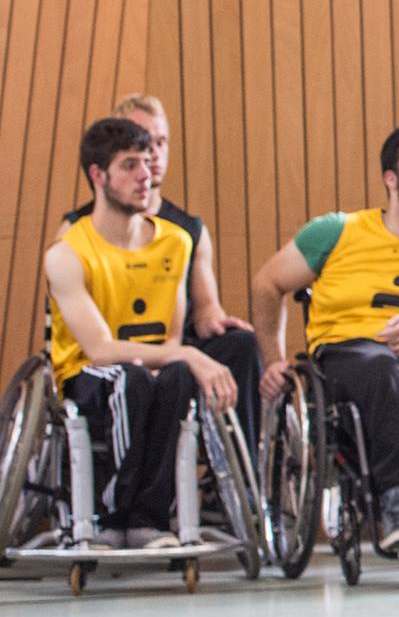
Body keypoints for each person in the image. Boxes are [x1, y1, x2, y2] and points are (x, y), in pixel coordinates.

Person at [251, 121, 399, 556]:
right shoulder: (336, 232)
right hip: (349, 353)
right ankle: (397, 507)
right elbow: (267, 283)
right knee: (381, 368)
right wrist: (273, 360)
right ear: (390, 179)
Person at [41, 118, 240, 548]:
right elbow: (97, 350)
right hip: (88, 376)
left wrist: (180, 357)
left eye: (147, 163)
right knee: (128, 379)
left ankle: (150, 519)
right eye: (130, 165)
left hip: (149, 365)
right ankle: (113, 515)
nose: (145, 175)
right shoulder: (68, 253)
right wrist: (186, 354)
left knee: (177, 377)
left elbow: (170, 339)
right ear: (98, 176)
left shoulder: (176, 243)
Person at [59, 94, 262, 438]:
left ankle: (243, 481)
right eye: (142, 142)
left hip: (172, 345)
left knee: (241, 343)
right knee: (140, 375)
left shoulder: (185, 231)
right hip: (113, 352)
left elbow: (206, 307)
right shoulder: (76, 232)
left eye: (161, 142)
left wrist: (214, 319)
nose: (152, 154)